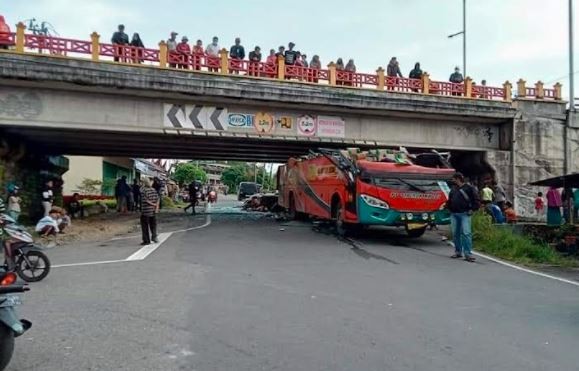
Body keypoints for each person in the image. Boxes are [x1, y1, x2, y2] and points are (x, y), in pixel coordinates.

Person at [446, 172, 480, 262]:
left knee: (466, 233)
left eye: (453, 179)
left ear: (458, 179)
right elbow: (450, 200)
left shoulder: (469, 188)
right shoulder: (453, 189)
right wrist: (448, 208)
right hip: (454, 214)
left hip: (465, 214)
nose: (452, 181)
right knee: (455, 234)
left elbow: (476, 200)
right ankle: (458, 251)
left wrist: (473, 209)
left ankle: (468, 253)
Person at [140, 178, 160, 246]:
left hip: (146, 211)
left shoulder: (143, 190)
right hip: (153, 211)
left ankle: (146, 240)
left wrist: (153, 204)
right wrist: (156, 207)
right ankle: (154, 237)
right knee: (153, 225)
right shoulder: (153, 189)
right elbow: (158, 199)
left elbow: (146, 200)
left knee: (145, 226)